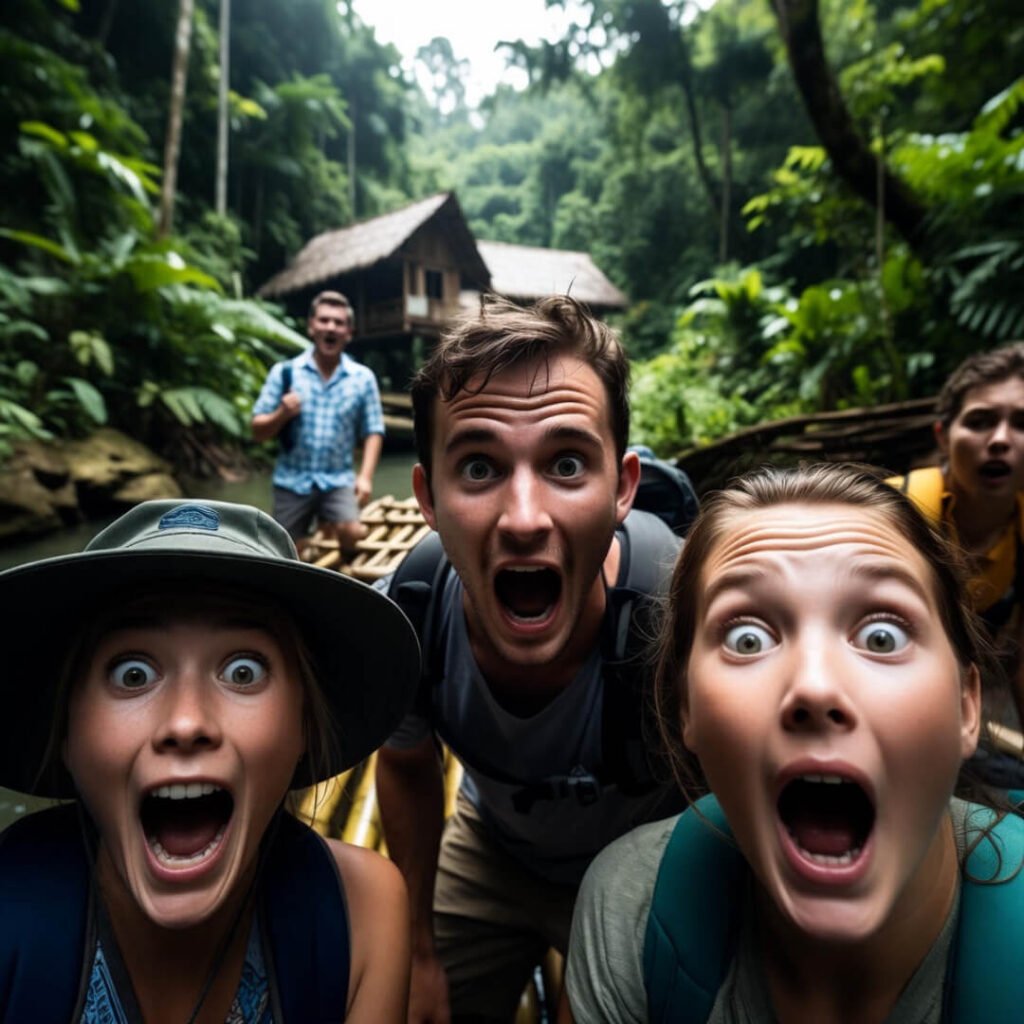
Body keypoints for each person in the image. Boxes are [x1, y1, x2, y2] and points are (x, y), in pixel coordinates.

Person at [564, 463, 1024, 1023]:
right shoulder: (629, 914)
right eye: (747, 638)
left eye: (882, 635)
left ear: (966, 706)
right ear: (687, 707)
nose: (814, 686)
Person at [375, 295, 684, 1023]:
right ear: (428, 497)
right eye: (478, 468)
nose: (523, 519)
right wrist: (416, 948)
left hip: (649, 861)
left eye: (568, 464)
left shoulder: (682, 612)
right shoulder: (411, 614)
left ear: (624, 488)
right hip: (492, 848)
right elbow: (407, 763)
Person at [0, 498, 421, 1022]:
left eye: (243, 671)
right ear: (67, 733)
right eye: (132, 674)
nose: (186, 723)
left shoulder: (361, 913)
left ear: (304, 727)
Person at [252, 290, 385, 551]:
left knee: (352, 533)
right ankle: (314, 531)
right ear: (311, 326)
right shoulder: (285, 373)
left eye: (338, 322)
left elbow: (374, 430)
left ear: (349, 331)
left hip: (337, 480)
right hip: (292, 481)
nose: (331, 327)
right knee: (284, 550)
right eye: (324, 320)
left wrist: (365, 477)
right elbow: (257, 431)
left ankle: (333, 527)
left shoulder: (362, 378)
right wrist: (282, 413)